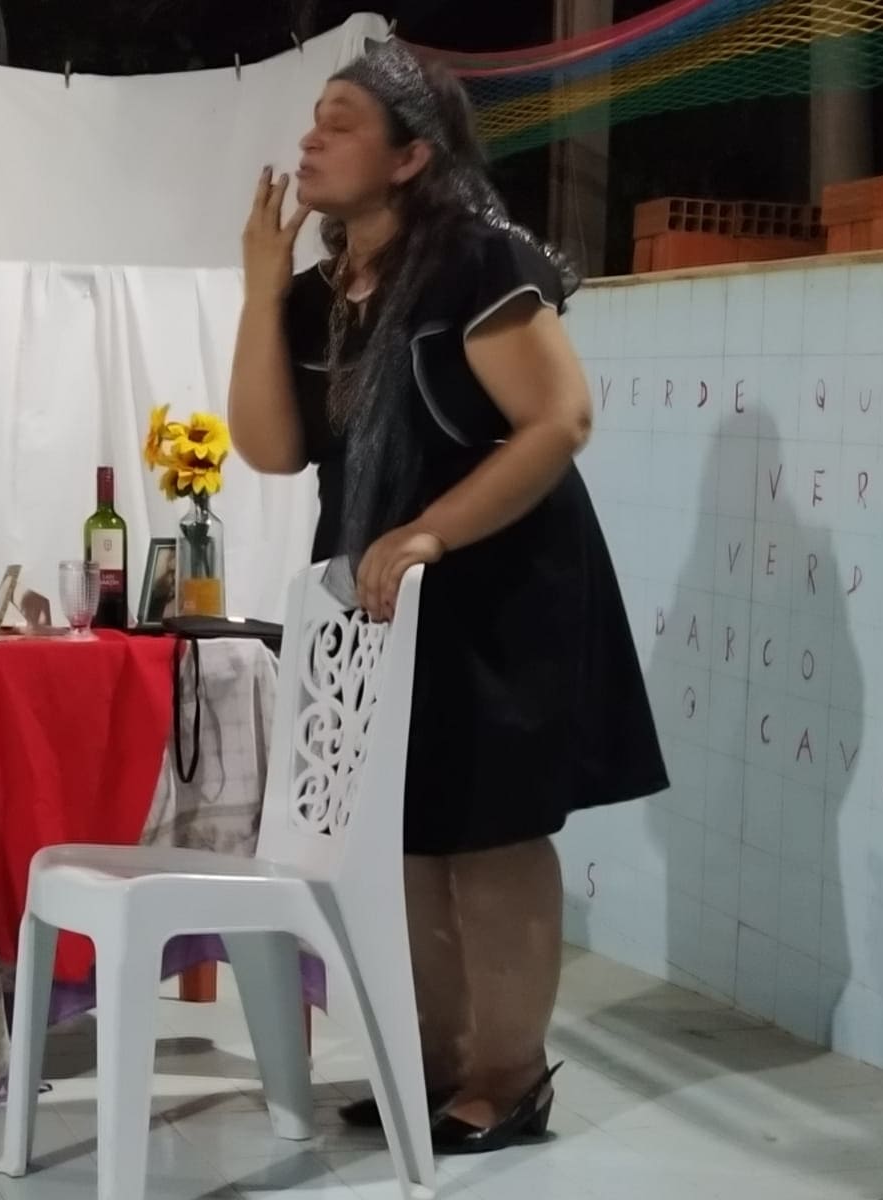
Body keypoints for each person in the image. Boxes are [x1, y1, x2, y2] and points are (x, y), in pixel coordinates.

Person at [228, 38, 668, 1155]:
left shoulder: (479, 261)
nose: (310, 139)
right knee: (406, 834)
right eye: (313, 117)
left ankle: (510, 1080)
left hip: (498, 581)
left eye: (340, 122)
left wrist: (431, 529)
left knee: (492, 835)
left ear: (412, 155)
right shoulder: (321, 296)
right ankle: (433, 1062)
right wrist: (261, 293)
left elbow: (559, 420)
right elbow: (271, 448)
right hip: (379, 591)